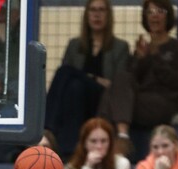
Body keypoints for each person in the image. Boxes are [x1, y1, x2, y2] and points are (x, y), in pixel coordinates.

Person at [44, 0, 129, 158]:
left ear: (108, 15)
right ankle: (70, 147)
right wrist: (93, 79)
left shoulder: (120, 47)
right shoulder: (75, 45)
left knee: (67, 71)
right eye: (93, 10)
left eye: (102, 10)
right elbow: (65, 83)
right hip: (77, 97)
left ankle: (48, 128)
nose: (97, 14)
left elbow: (116, 85)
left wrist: (90, 78)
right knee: (74, 85)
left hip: (102, 98)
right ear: (86, 15)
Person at [99, 0, 178, 155]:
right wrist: (140, 59)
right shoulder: (142, 48)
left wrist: (154, 56)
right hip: (140, 100)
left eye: (160, 12)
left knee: (111, 100)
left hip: (163, 101)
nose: (154, 16)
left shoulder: (177, 47)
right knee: (119, 78)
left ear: (168, 16)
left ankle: (102, 137)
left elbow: (175, 81)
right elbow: (130, 80)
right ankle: (122, 136)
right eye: (150, 12)